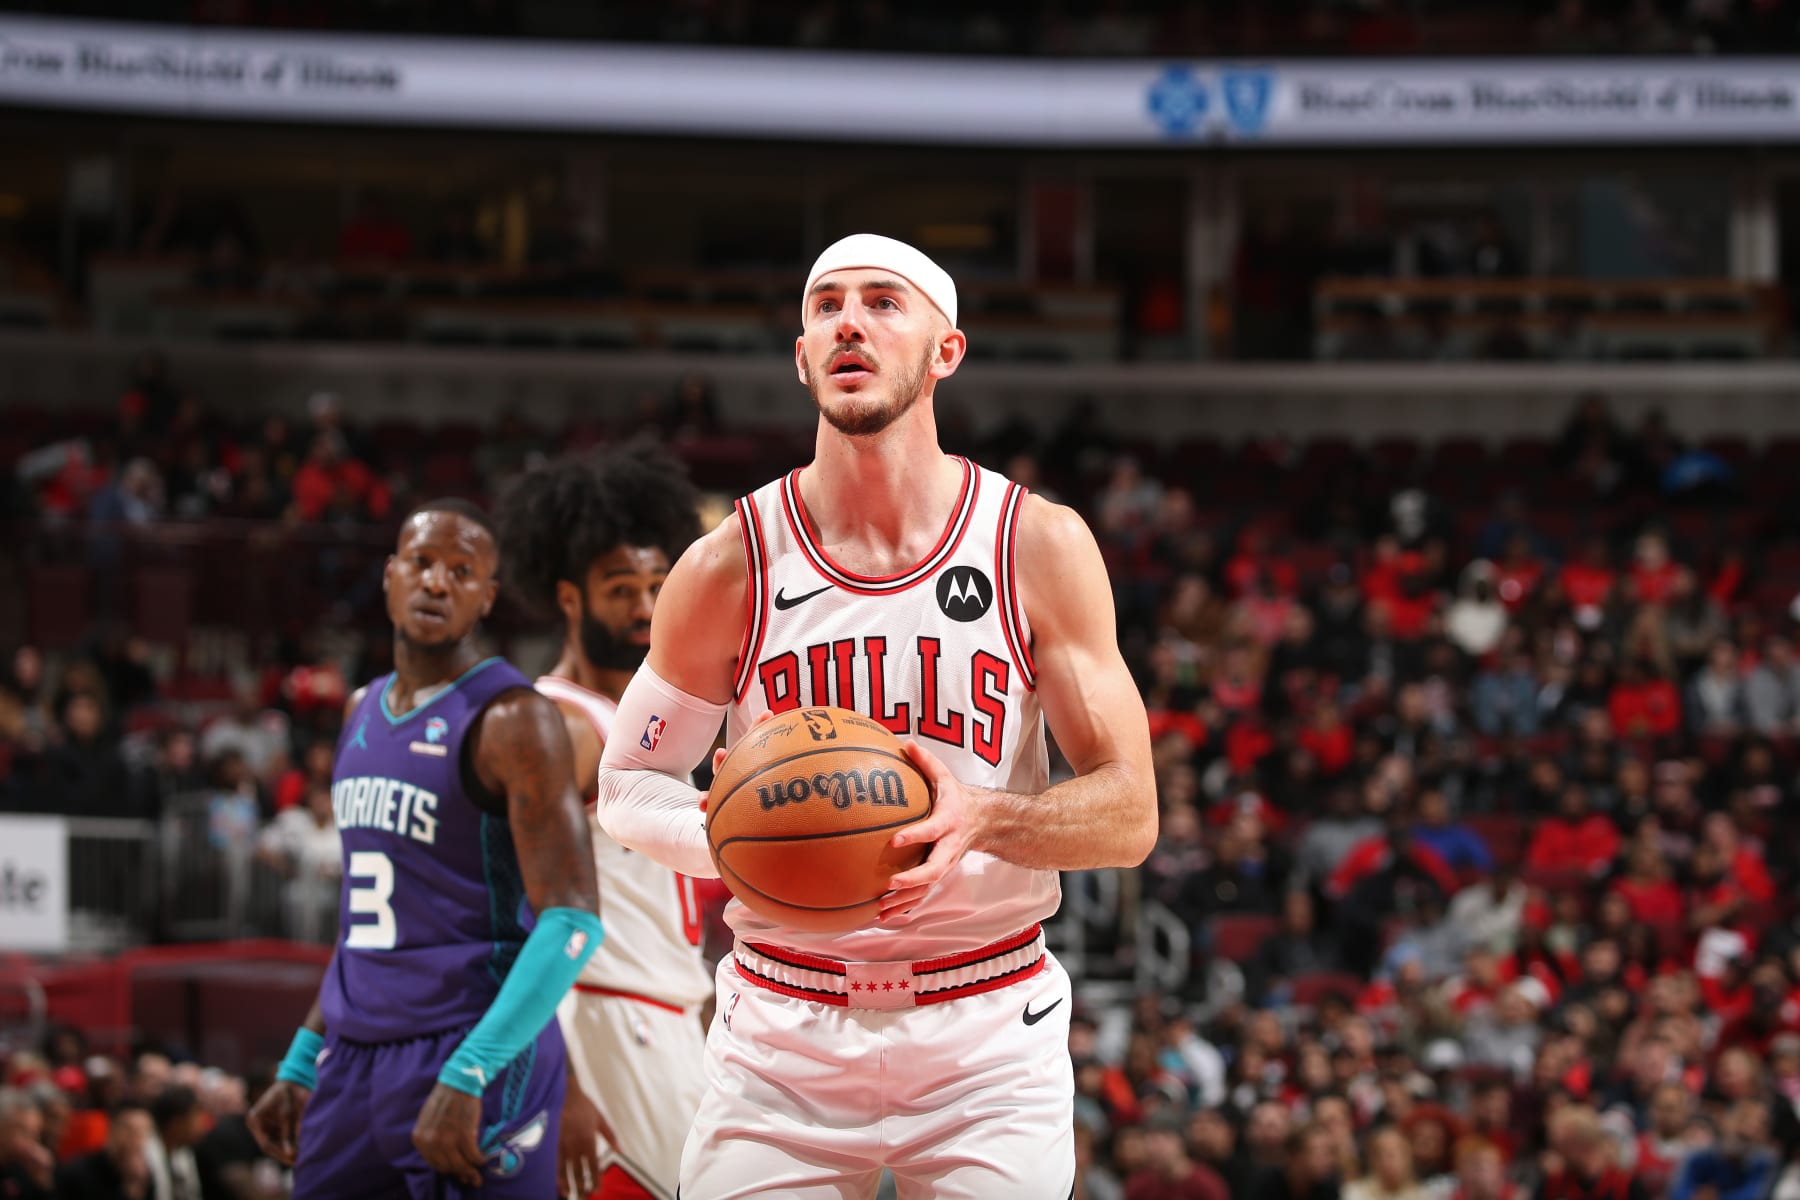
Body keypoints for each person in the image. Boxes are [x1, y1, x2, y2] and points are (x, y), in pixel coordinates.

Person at [595, 233, 1157, 1197]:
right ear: (804, 355)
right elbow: (626, 786)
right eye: (826, 306)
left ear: (947, 350)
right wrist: (742, 844)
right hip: (780, 1037)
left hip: (986, 1031)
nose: (849, 319)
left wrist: (986, 816)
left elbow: (1131, 814)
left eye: (884, 301)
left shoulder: (1037, 545)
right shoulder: (730, 563)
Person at [244, 499, 602, 1198]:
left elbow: (573, 921)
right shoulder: (358, 711)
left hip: (469, 1047)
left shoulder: (515, 719)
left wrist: (474, 1068)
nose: (437, 582)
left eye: (461, 572)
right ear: (389, 577)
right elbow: (365, 926)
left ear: (486, 598)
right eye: (422, 563)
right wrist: (301, 1061)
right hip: (352, 1059)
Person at [493, 446, 711, 1200]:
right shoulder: (561, 722)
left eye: (657, 584)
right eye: (622, 588)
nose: (647, 606)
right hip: (603, 1022)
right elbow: (515, 908)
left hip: (670, 1021)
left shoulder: (647, 727)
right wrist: (559, 1084)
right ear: (569, 598)